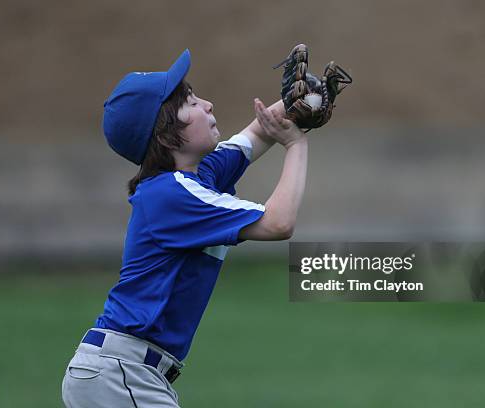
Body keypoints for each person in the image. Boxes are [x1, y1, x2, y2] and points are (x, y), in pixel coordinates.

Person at [61, 49, 308, 408]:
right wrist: (297, 144)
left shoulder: (196, 179)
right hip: (121, 375)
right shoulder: (172, 196)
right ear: (165, 136)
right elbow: (278, 222)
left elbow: (259, 130)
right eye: (189, 102)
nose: (206, 104)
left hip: (123, 373)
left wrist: (299, 100)